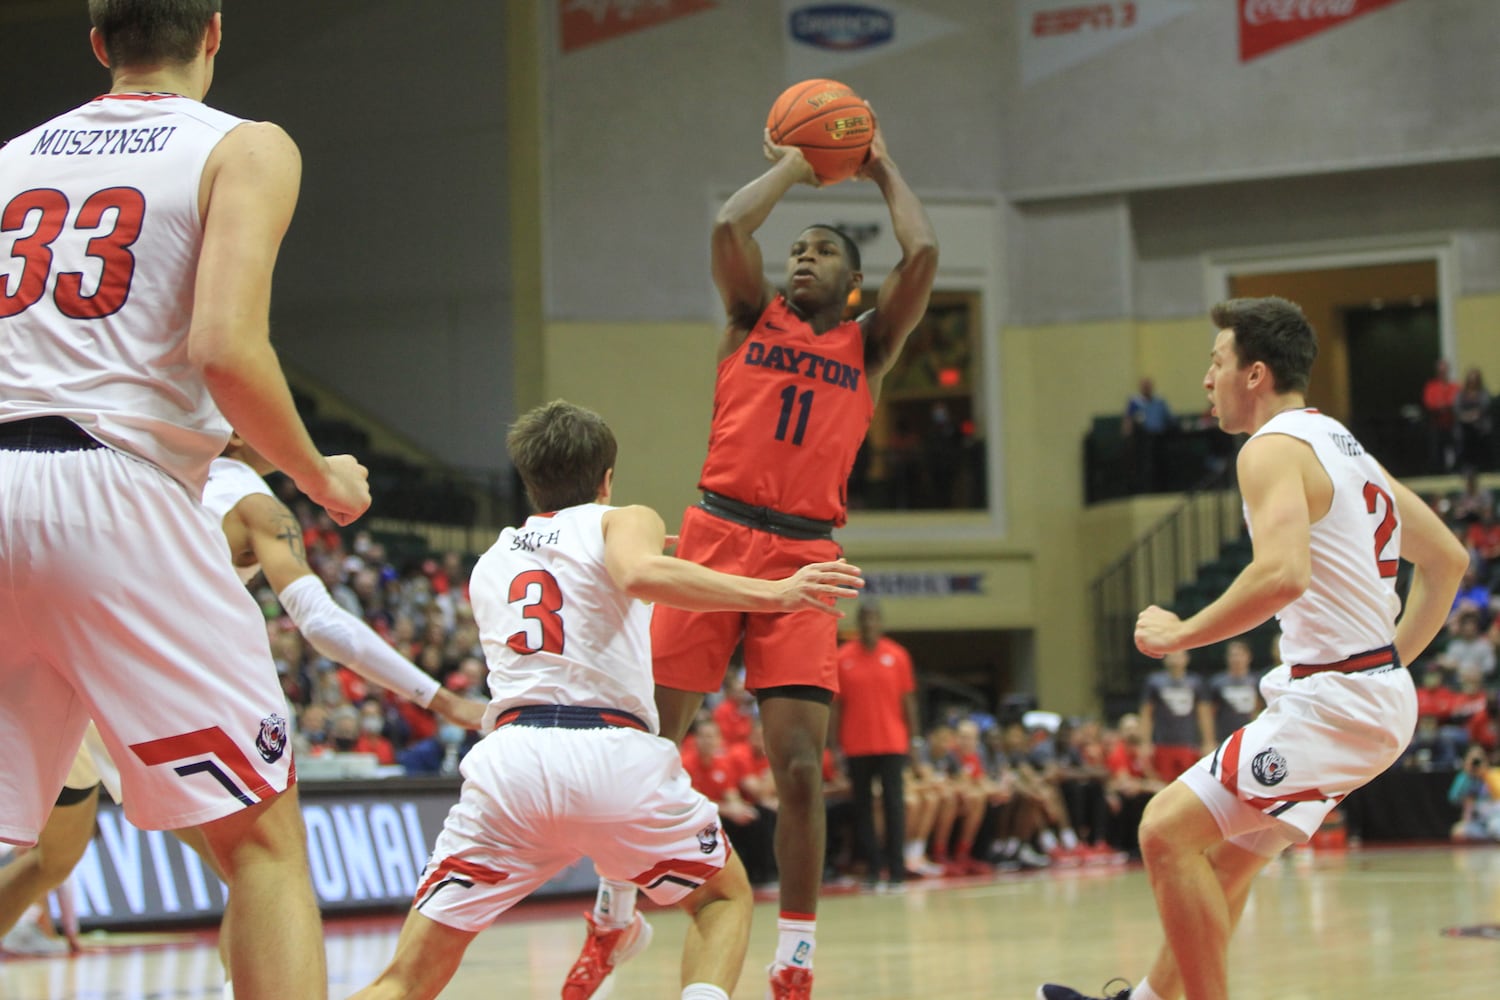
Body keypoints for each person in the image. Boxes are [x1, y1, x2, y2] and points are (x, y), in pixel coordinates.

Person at [0, 4, 372, 996]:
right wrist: (320, 473)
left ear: (97, 44)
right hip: (116, 489)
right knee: (262, 849)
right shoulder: (245, 147)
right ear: (213, 31)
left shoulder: (10, 159)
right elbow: (224, 349)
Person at [569, 119, 938, 1000]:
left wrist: (883, 168)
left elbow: (921, 257)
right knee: (650, 742)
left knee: (802, 767)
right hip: (716, 532)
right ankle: (615, 912)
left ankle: (796, 959)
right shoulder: (749, 317)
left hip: (805, 556)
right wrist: (791, 166)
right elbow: (729, 232)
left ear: (854, 286)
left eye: (824, 252)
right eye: (799, 250)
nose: (803, 258)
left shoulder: (869, 346)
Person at [350, 400, 864, 1000]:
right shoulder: (621, 519)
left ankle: (614, 921)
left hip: (511, 766)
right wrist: (776, 594)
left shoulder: (490, 559)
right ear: (607, 479)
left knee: (405, 980)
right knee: (722, 898)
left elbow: (582, 585)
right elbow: (637, 576)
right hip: (612, 756)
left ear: (528, 479)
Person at [1039, 295, 1468, 1000]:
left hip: (1339, 699)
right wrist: (1385, 668)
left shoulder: (1269, 449)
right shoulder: (1343, 445)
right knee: (1227, 864)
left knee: (1163, 833)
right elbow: (1448, 562)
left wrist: (1181, 632)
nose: (1206, 380)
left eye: (1216, 363)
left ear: (1255, 373)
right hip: (1365, 693)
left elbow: (1281, 573)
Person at [0, 436, 483, 989]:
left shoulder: (153, 462)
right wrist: (438, 697)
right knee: (259, 865)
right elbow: (321, 622)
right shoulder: (253, 502)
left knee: (55, 860)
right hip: (142, 675)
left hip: (57, 611)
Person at [831, 601, 920, 889]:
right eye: (865, 620)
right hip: (856, 745)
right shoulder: (842, 657)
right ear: (859, 623)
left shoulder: (897, 655)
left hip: (893, 743)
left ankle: (896, 869)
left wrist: (914, 739)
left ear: (880, 623)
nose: (870, 625)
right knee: (863, 808)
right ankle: (872, 869)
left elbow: (909, 701)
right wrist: (834, 746)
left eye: (874, 620)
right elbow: (836, 707)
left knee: (894, 806)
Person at [1139, 650, 1211, 782]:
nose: (1175, 660)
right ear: (1165, 659)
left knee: (1190, 783)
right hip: (1163, 743)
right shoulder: (1154, 682)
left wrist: (1207, 741)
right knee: (1163, 782)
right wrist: (1145, 742)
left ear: (1186, 658)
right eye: (1172, 656)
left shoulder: (1195, 682)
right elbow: (1146, 714)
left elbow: (1204, 714)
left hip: (1188, 743)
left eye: (1179, 656)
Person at [1200, 639, 1263, 744]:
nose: (1236, 659)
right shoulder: (1216, 683)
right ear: (1227, 657)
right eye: (1233, 655)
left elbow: (1259, 709)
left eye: (1240, 655)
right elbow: (1208, 713)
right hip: (1224, 737)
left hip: (1250, 736)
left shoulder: (1256, 681)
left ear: (1248, 656)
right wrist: (1209, 740)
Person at [1125, 377, 1174, 492]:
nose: (1146, 388)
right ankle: (1147, 489)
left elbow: (1170, 419)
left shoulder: (1160, 402)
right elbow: (1128, 422)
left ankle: (1163, 488)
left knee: (1162, 465)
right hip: (1143, 441)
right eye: (1144, 386)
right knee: (1145, 466)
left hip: (1161, 439)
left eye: (1148, 385)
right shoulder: (1135, 402)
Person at [1422, 358, 1459, 473]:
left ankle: (1457, 468)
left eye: (1444, 371)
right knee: (1435, 445)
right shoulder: (1431, 387)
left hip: (1452, 422)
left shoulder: (1455, 387)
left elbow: (1456, 402)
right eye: (1440, 371)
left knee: (1458, 439)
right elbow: (1429, 403)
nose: (1443, 373)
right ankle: (1437, 470)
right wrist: (1442, 406)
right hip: (1436, 423)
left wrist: (1444, 406)